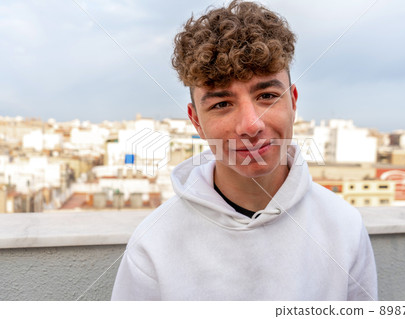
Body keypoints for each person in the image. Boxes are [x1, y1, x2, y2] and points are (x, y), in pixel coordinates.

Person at [111, 0, 377, 301]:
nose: (251, 125)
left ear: (293, 101)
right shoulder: (153, 245)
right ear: (196, 120)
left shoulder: (344, 227)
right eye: (222, 104)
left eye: (267, 96)